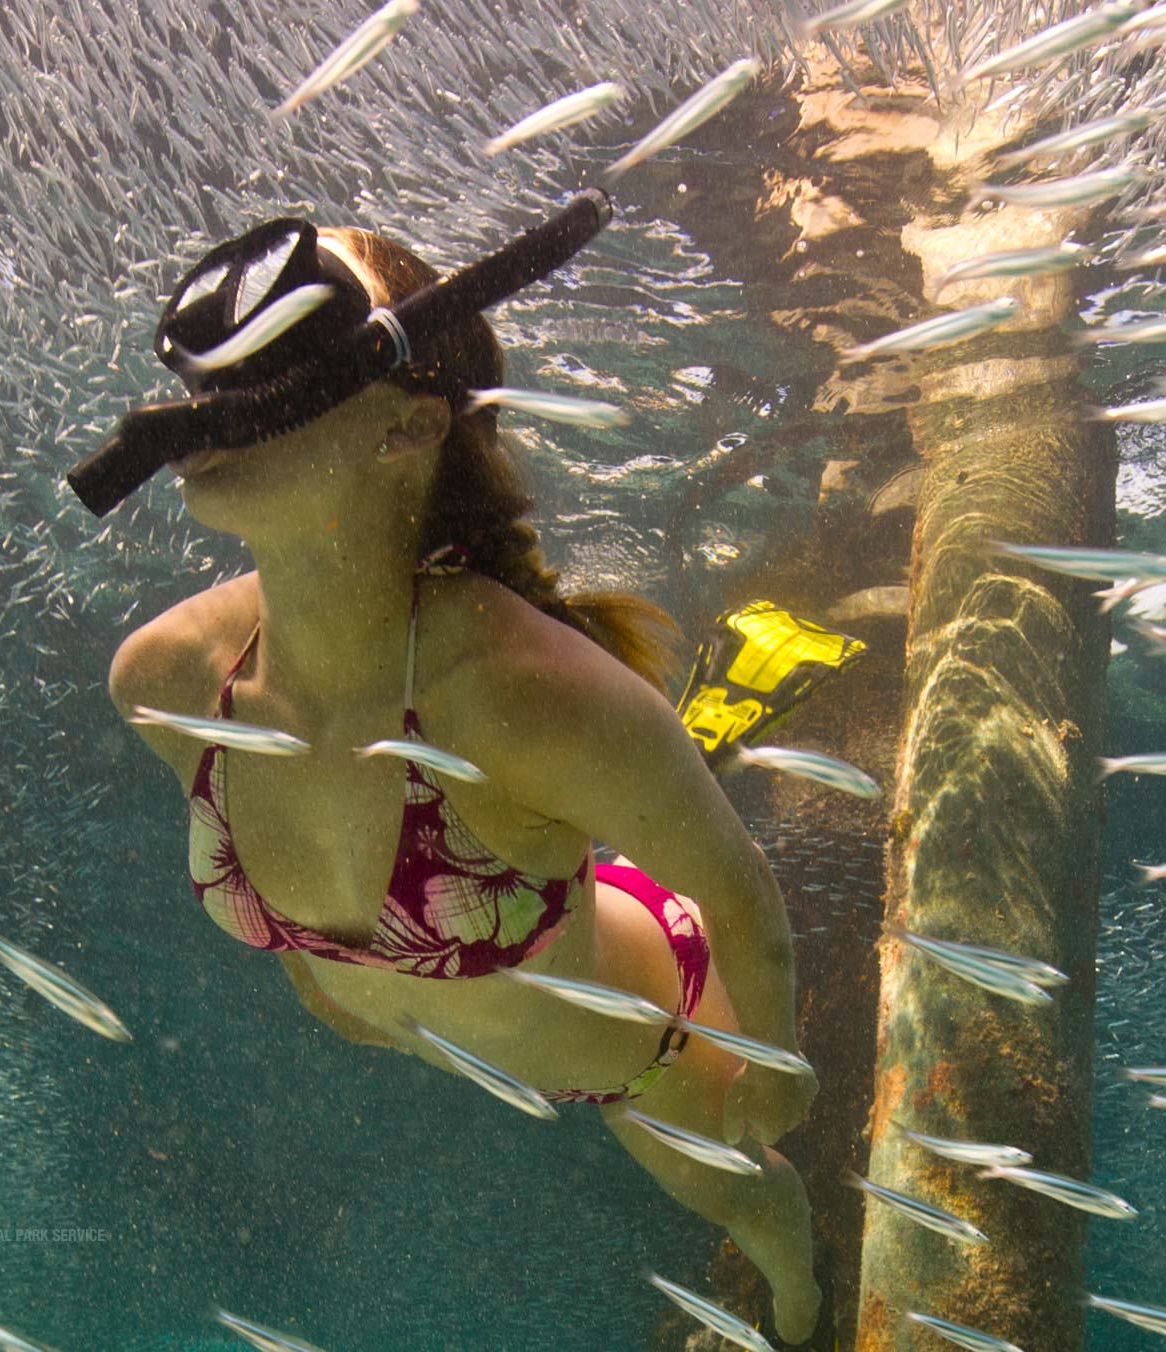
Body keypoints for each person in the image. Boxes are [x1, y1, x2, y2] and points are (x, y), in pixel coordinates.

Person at [103, 218, 831, 1344]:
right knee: (583, 805)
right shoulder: (166, 680)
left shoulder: (533, 696)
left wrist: (777, 1072)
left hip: (636, 1033)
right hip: (486, 975)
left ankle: (803, 1314)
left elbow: (741, 900)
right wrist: (332, 983)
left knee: (742, 1192)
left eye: (286, 351)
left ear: (409, 424)